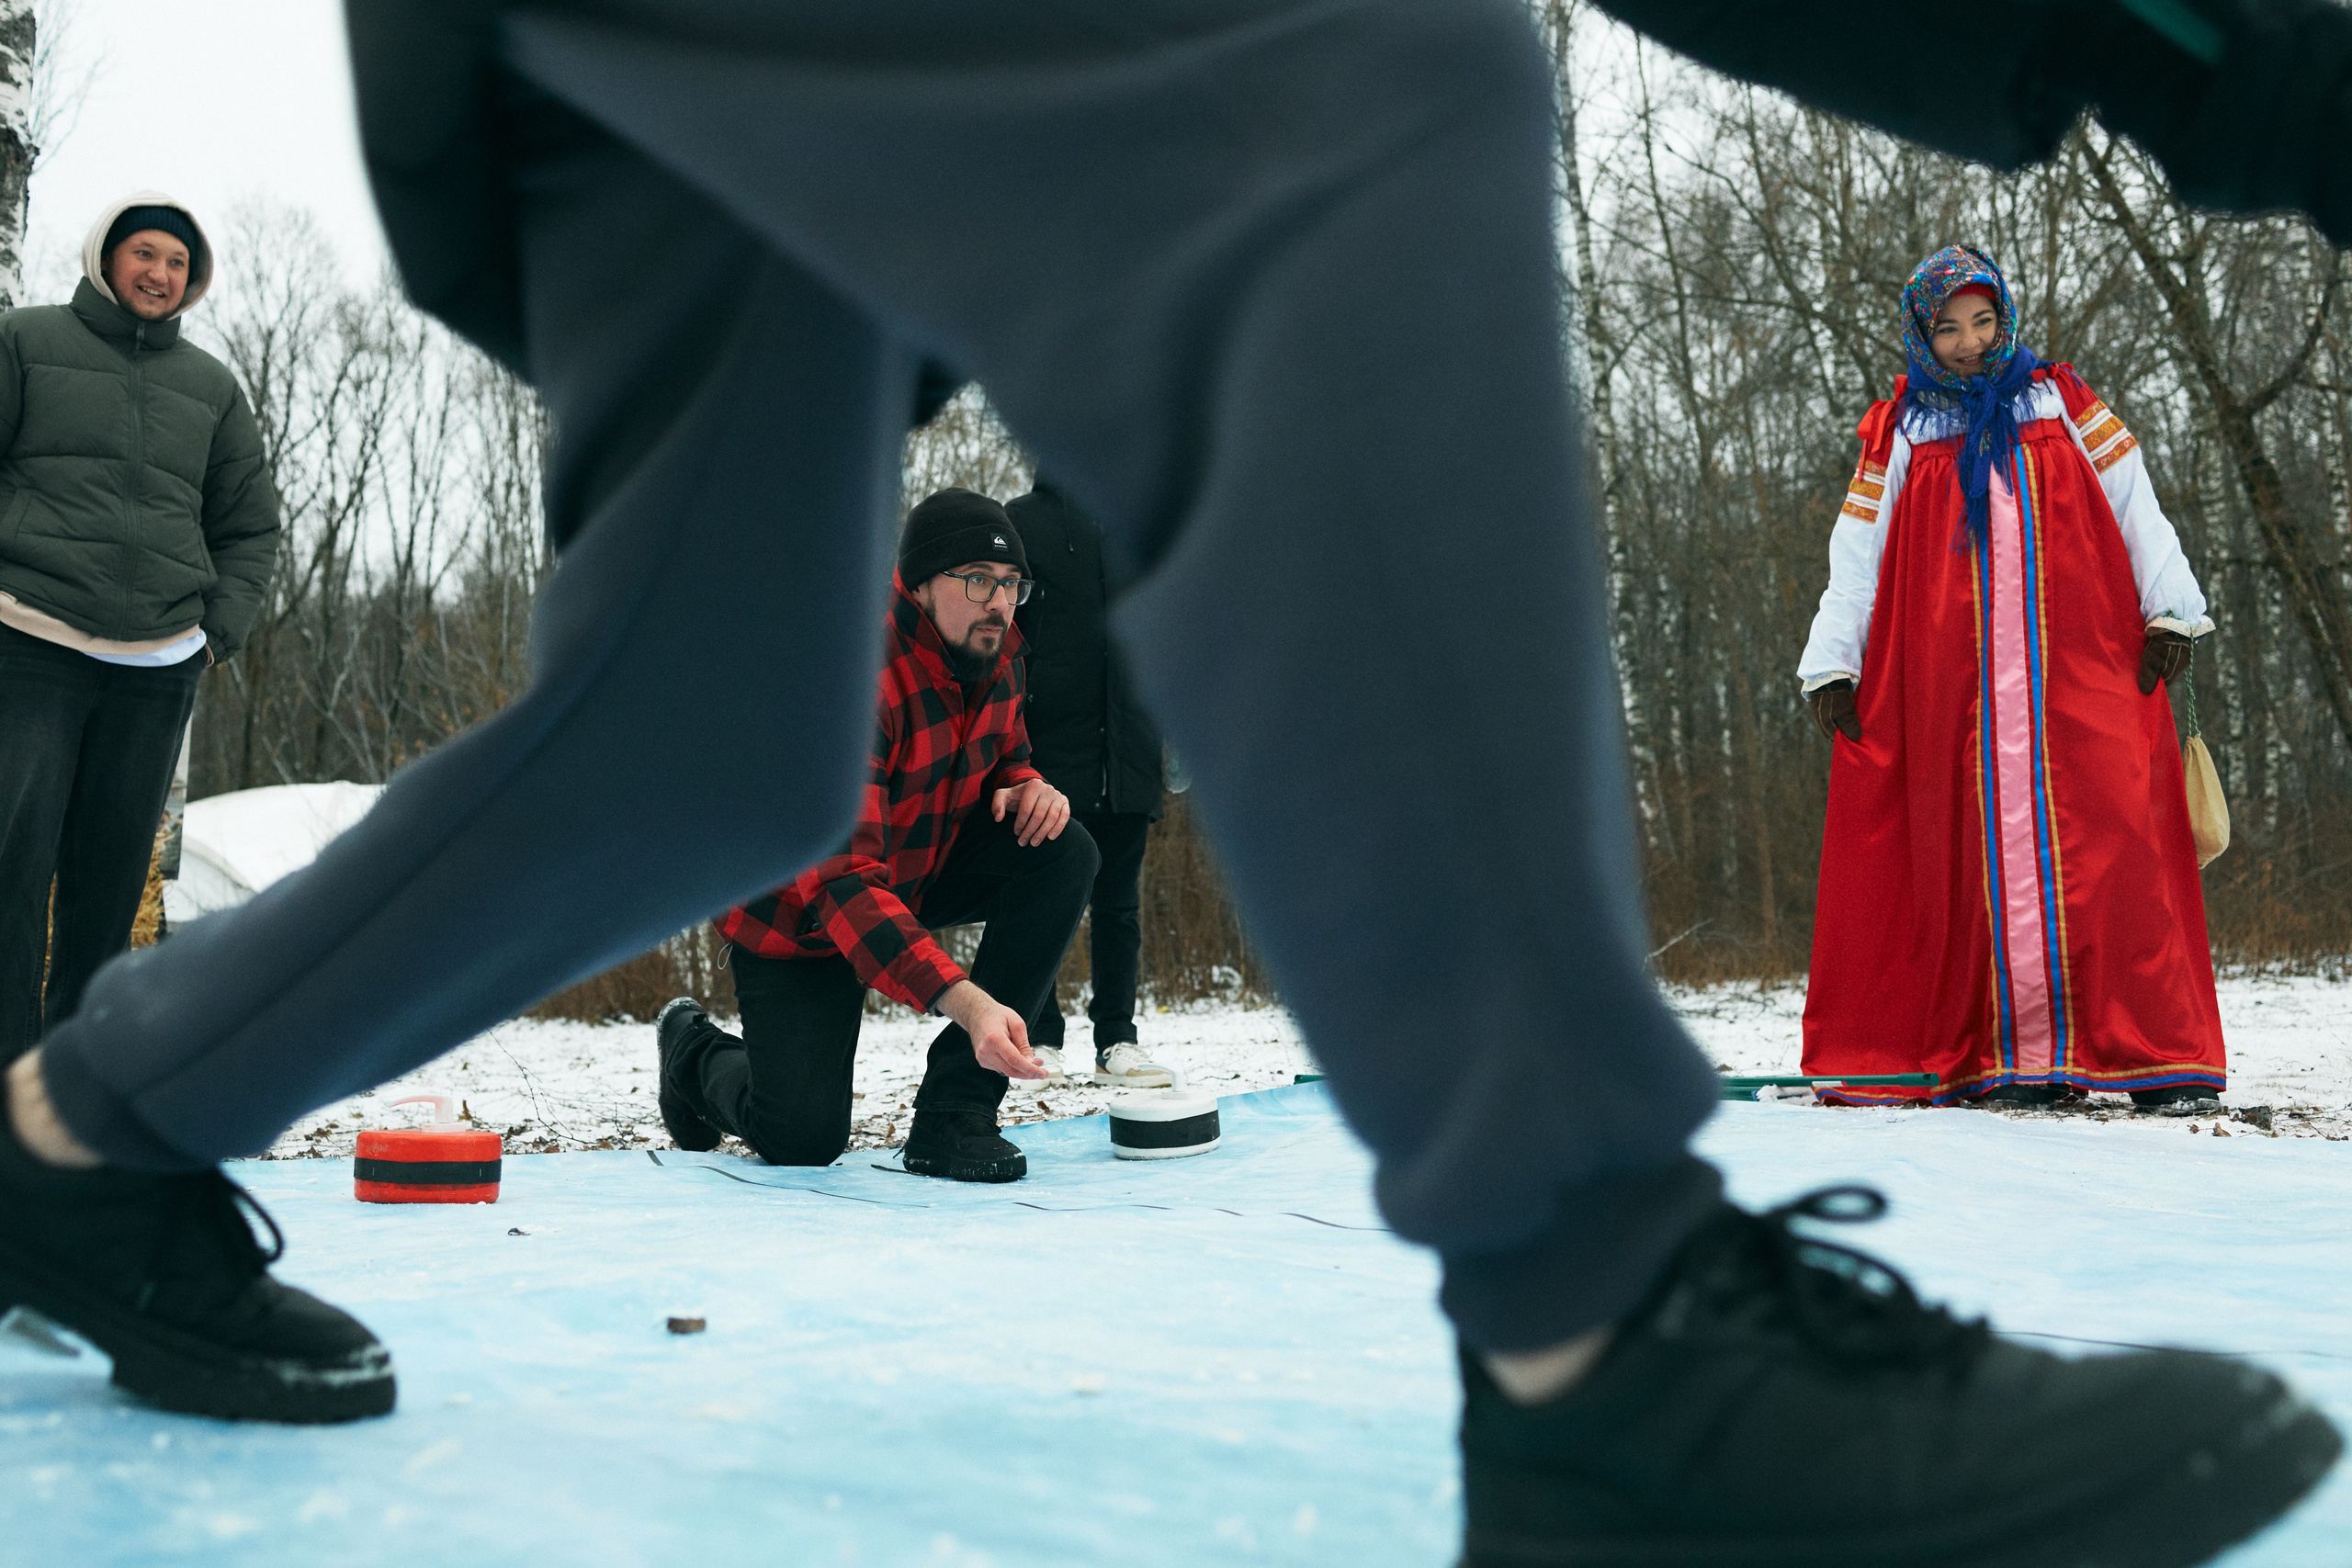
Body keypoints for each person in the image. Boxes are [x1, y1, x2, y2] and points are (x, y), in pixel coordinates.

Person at [1, 0, 2347, 1558]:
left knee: (697, 731)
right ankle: (1599, 1299)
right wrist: (2222, 51)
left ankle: (78, 1144)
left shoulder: (997, 676)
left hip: (584, 66)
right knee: (1339, 64)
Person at [1798, 247, 2225, 1112]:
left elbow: (2135, 504)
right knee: (1971, 862)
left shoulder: (2063, 404)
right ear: (1924, 333)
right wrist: (1833, 660)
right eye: (1948, 327)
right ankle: (2015, 1059)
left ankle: (2159, 1056)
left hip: (2083, 665)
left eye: (1982, 321)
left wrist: (2169, 609)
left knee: (2118, 844)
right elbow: (1858, 560)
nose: (1967, 342)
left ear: (2005, 319)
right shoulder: (1903, 432)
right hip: (1952, 687)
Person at [654, 488, 1091, 1182]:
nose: (999, 603)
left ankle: (954, 1116)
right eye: (977, 579)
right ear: (920, 584)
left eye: (1011, 584)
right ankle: (690, 1051)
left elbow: (1008, 749)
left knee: (1062, 849)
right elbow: (843, 882)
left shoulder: (998, 651)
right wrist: (967, 999)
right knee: (801, 1136)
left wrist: (1026, 781)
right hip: (800, 910)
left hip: (913, 869)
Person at [0, 194, 279, 1065]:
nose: (160, 273)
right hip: (29, 642)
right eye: (145, 253)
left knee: (110, 882)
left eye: (178, 264)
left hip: (155, 665)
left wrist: (213, 633)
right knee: (12, 867)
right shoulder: (25, 340)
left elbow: (250, 526)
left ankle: (74, 1085)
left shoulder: (211, 387)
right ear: (106, 256)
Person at [1005, 479, 1172, 1089]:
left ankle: (1117, 1040)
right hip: (1048, 754)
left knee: (1119, 904)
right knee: (1044, 896)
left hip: (1129, 746)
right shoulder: (1019, 521)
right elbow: (1003, 637)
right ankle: (1039, 1034)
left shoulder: (1137, 515)